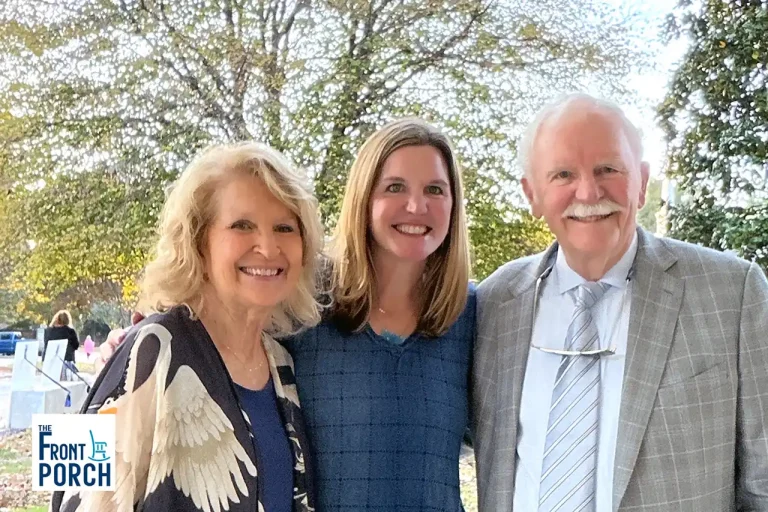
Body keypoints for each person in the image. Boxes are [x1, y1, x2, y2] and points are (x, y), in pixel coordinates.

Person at [472, 93, 768, 511]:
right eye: (562, 174)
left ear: (642, 182)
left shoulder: (733, 293)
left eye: (608, 169)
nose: (589, 191)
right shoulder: (495, 303)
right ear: (532, 194)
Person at [51, 142, 324, 512]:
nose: (267, 245)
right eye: (242, 225)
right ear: (199, 241)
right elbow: (67, 482)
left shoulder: (281, 363)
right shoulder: (149, 345)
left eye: (285, 227)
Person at [282, 118, 476, 511]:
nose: (416, 206)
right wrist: (124, 352)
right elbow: (117, 410)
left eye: (435, 190)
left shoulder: (473, 314)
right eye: (395, 187)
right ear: (364, 198)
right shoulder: (300, 297)